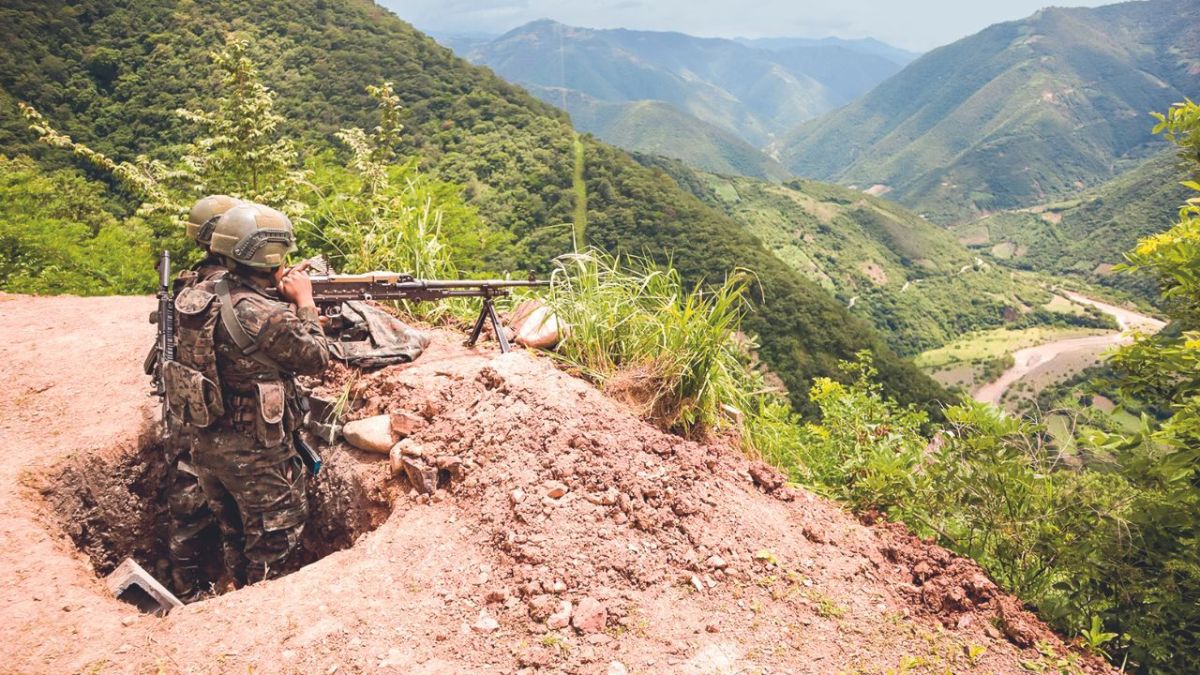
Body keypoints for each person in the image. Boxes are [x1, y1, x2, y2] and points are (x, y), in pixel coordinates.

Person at [170, 202, 329, 586]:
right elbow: (317, 357)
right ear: (272, 255)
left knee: (235, 533)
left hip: (208, 442)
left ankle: (235, 596)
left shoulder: (198, 293)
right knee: (274, 542)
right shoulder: (263, 314)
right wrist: (304, 302)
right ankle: (261, 614)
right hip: (256, 453)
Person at [162, 194, 244, 600]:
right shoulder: (224, 289)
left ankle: (190, 588)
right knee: (214, 506)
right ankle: (204, 595)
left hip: (183, 406)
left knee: (190, 505)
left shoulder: (189, 281)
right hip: (208, 417)